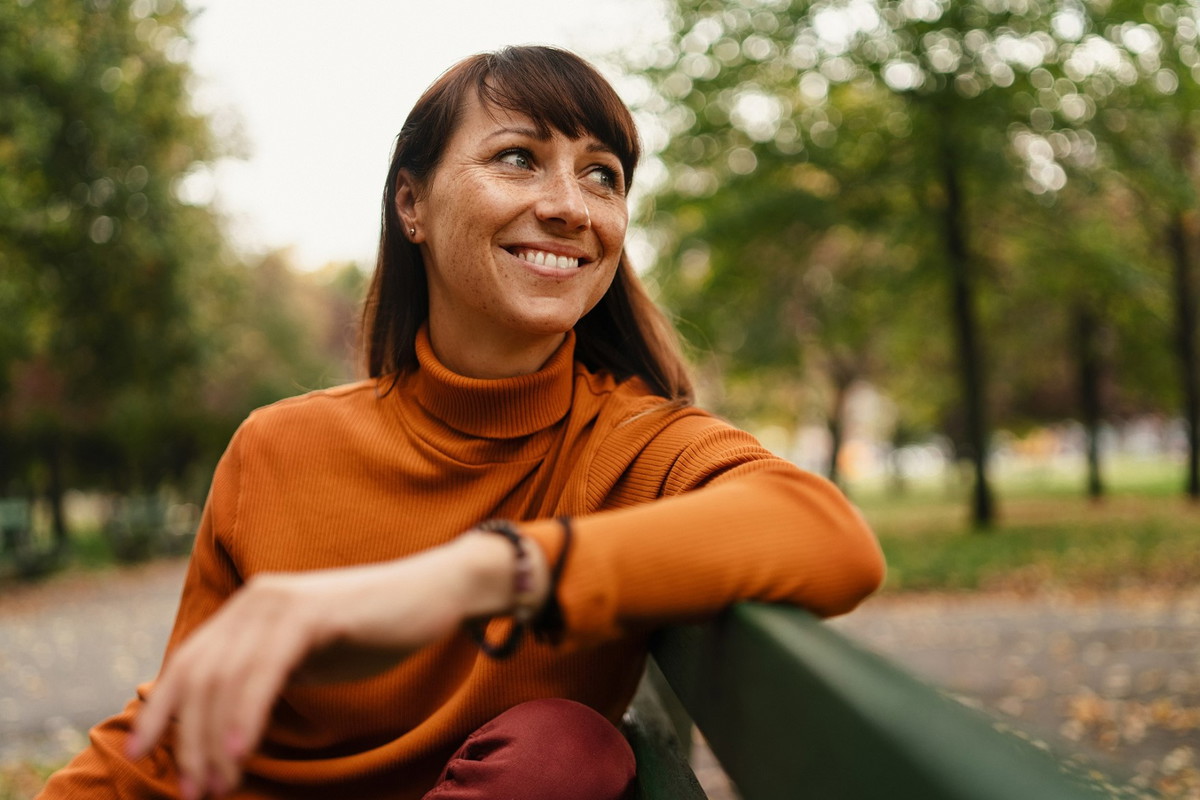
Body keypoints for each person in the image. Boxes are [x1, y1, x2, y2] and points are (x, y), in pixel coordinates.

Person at [38, 45, 885, 800]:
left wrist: (473, 577)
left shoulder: (630, 445)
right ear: (412, 203)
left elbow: (829, 537)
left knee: (565, 750)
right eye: (519, 158)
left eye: (603, 175)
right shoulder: (277, 449)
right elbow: (174, 737)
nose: (572, 207)